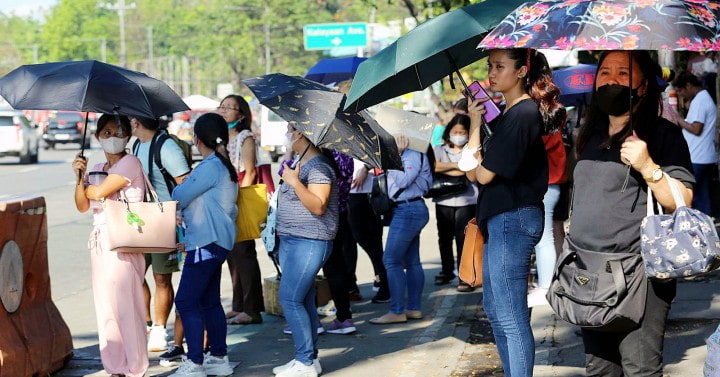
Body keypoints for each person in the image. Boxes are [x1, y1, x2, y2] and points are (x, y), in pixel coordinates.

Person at [571, 51, 694, 375]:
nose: (611, 80)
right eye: (605, 72)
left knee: (640, 369)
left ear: (643, 85)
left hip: (639, 277)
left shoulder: (662, 135)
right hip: (591, 274)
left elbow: (683, 200)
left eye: (623, 73)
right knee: (600, 370)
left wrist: (648, 166)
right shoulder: (588, 135)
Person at [463, 48, 565, 376]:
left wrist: (476, 133)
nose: (491, 73)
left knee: (510, 316)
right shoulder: (507, 115)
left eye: (500, 66)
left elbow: (481, 174)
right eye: (490, 66)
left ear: (521, 72)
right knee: (496, 312)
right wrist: (476, 124)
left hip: (513, 218)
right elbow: (471, 170)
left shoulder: (522, 114)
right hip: (502, 219)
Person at [72, 114, 149, 377]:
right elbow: (82, 205)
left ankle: (135, 368)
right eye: (106, 132)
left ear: (127, 136)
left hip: (125, 241)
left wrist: (88, 184)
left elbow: (97, 193)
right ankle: (115, 367)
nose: (112, 137)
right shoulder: (96, 167)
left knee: (127, 307)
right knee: (106, 307)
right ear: (97, 137)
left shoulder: (130, 163)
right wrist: (79, 177)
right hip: (101, 241)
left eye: (118, 132)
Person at [169, 113, 237, 377]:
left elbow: (180, 195)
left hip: (206, 243)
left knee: (186, 301)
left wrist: (182, 188)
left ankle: (194, 362)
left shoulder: (210, 167)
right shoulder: (223, 165)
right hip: (216, 242)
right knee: (209, 302)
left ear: (197, 139)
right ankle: (218, 357)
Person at [272, 125, 339, 377]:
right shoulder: (301, 161)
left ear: (300, 134)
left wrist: (293, 182)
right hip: (292, 240)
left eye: (290, 128)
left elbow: (319, 205)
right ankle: (308, 358)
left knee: (290, 298)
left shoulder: (319, 166)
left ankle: (306, 362)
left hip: (310, 241)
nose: (286, 132)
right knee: (302, 299)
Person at [129, 116, 191, 353]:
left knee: (161, 277)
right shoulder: (136, 145)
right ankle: (145, 323)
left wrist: (178, 210)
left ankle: (159, 328)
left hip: (165, 219)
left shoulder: (166, 146)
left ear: (137, 122)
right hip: (141, 219)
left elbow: (185, 182)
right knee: (134, 272)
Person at [369, 135, 432, 324]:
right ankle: (413, 308)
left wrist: (395, 156)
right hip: (407, 209)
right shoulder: (410, 153)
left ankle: (397, 311)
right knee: (412, 262)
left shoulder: (412, 154)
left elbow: (404, 180)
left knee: (391, 260)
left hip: (409, 209)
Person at [220, 94, 266, 325]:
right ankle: (238, 305)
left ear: (241, 115)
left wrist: (237, 201)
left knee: (244, 254)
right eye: (223, 106)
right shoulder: (220, 138)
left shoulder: (245, 137)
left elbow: (249, 172)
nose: (225, 110)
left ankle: (252, 308)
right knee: (232, 254)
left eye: (231, 107)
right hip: (225, 198)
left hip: (239, 198)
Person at [431, 114, 478, 292]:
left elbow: (470, 171)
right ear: (449, 131)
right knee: (444, 238)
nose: (458, 135)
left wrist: (448, 166)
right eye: (455, 131)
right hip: (444, 200)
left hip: (468, 200)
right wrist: (459, 166)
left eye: (462, 132)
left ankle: (464, 276)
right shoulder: (439, 149)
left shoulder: (471, 149)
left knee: (463, 239)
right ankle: (446, 270)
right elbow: (435, 166)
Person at [527, 129, 567, 307]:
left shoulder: (545, 133)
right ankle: (545, 285)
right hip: (550, 184)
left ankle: (545, 287)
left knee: (544, 239)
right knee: (546, 237)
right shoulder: (553, 132)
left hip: (547, 185)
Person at [672, 71, 717, 215]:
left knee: (692, 197)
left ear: (688, 86)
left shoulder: (701, 100)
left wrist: (679, 119)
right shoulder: (702, 98)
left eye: (680, 91)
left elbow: (696, 129)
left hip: (697, 157)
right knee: (702, 197)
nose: (680, 95)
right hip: (703, 156)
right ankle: (707, 226)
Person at [347, 160, 389, 302]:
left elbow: (378, 152)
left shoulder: (363, 137)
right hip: (345, 194)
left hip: (364, 193)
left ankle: (385, 282)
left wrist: (366, 167)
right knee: (347, 244)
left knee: (370, 243)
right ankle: (350, 287)